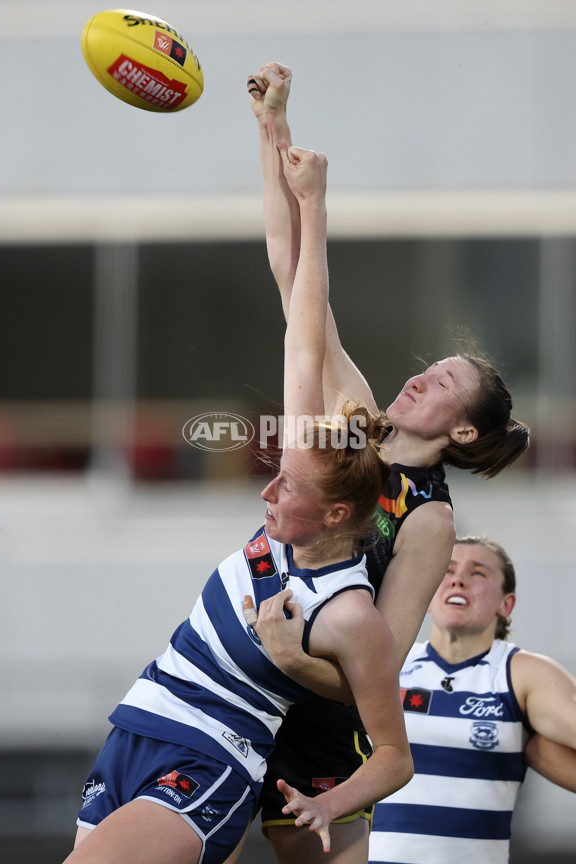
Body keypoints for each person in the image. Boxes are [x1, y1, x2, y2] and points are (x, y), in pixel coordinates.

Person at [62, 144, 414, 864]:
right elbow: (304, 325)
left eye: (287, 489)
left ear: (340, 515)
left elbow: (393, 755)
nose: (268, 491)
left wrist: (329, 803)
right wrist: (302, 186)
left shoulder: (349, 612)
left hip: (211, 753)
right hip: (137, 726)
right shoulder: (297, 504)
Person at [238, 61, 530, 864]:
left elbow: (379, 666)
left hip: (323, 727)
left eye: (444, 383)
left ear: (463, 433)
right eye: (431, 364)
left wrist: (295, 653)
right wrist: (273, 130)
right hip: (242, 680)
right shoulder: (354, 414)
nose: (422, 375)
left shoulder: (430, 519)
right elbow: (290, 271)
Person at [369, 535, 576, 864]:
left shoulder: (520, 673)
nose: (459, 579)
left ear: (505, 605)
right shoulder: (387, 661)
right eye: (447, 570)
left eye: (477, 573)